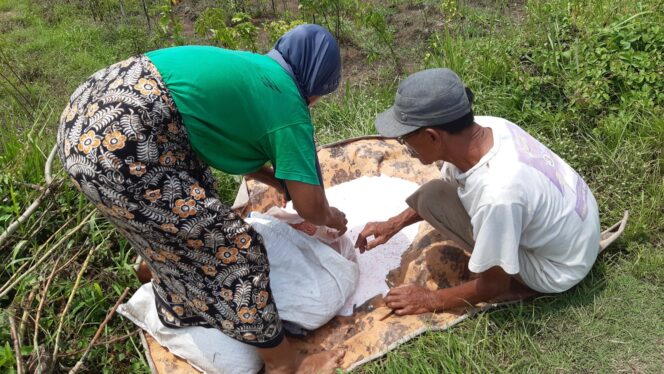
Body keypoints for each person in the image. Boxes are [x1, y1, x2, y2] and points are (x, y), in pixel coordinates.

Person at [57, 24, 346, 373]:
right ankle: (281, 360)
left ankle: (159, 273)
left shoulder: (255, 69)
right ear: (317, 83)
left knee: (185, 207)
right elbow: (309, 207)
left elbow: (228, 137)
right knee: (234, 248)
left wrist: (276, 181)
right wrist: (331, 218)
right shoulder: (288, 106)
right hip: (122, 144)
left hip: (85, 117)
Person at [355, 68, 600, 315]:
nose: (405, 147)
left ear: (432, 136)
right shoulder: (491, 127)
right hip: (580, 231)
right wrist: (393, 224)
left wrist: (429, 300)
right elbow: (447, 187)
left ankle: (526, 286)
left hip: (559, 269)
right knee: (431, 195)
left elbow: (493, 285)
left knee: (484, 260)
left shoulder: (497, 195)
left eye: (404, 139)